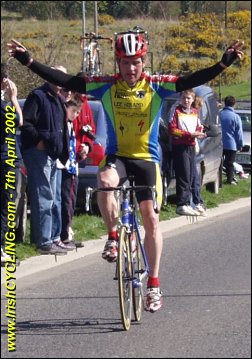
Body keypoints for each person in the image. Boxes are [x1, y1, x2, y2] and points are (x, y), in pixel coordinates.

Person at [7, 35, 244, 312]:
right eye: (125, 63)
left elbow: (191, 80)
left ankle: (154, 285)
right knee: (105, 179)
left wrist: (223, 63)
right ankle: (112, 237)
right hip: (118, 157)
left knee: (151, 221)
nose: (130, 69)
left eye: (136, 63)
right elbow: (68, 81)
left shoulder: (157, 85)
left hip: (147, 159)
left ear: (143, 61)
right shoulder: (106, 86)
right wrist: (28, 60)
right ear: (117, 63)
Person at [19, 65, 71, 255]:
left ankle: (50, 238)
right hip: (38, 154)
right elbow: (26, 124)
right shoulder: (38, 96)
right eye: (57, 75)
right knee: (44, 197)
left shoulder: (57, 98)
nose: (60, 79)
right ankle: (44, 241)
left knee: (52, 198)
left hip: (52, 155)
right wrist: (39, 141)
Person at [169, 89, 207, 216]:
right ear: (181, 98)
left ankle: (193, 202)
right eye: (184, 98)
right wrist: (188, 134)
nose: (186, 100)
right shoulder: (176, 111)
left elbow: (199, 126)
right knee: (184, 174)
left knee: (192, 174)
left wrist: (199, 133)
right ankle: (182, 203)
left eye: (189, 98)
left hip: (191, 145)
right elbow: (173, 129)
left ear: (193, 99)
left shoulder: (195, 112)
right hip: (180, 146)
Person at [1, 63, 22, 266]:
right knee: (7, 203)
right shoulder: (3, 106)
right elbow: (18, 120)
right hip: (5, 160)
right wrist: (13, 98)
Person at [220, 96, 244, 185]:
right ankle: (229, 180)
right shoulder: (236, 117)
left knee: (219, 163)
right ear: (234, 104)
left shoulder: (219, 114)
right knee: (229, 163)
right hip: (231, 144)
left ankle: (218, 179)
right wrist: (240, 144)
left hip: (218, 143)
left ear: (224, 103)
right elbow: (239, 133)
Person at [191, 95, 207, 216]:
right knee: (194, 177)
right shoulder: (193, 115)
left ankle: (196, 200)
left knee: (193, 176)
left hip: (191, 148)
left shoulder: (192, 114)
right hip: (190, 147)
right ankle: (196, 201)